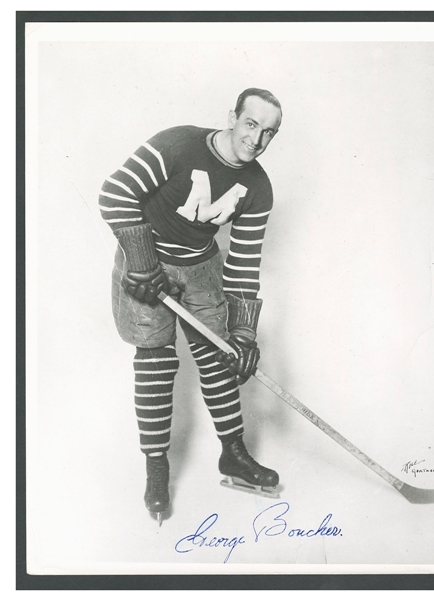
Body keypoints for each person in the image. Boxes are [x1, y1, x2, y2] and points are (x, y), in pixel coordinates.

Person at [98, 88, 283, 523]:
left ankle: (233, 454)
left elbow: (243, 262)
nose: (255, 140)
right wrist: (142, 262)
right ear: (233, 117)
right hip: (146, 260)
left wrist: (242, 332)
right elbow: (115, 193)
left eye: (269, 133)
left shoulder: (259, 187)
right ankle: (157, 467)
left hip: (200, 268)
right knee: (156, 361)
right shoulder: (178, 143)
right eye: (251, 124)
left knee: (221, 357)